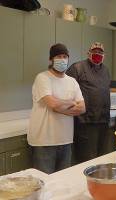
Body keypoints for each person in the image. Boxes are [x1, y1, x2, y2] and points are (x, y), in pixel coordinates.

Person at [28, 43, 85, 174]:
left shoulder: (72, 81)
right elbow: (51, 103)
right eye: (59, 56)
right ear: (51, 59)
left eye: (65, 56)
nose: (62, 59)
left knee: (61, 183)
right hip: (44, 142)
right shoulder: (42, 78)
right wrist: (71, 103)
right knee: (44, 184)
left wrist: (60, 107)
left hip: (65, 141)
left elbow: (82, 108)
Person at [66, 42, 111, 163]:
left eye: (100, 52)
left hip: (103, 121)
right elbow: (66, 90)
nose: (97, 54)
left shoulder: (106, 70)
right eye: (95, 52)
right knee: (87, 160)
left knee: (101, 158)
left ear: (104, 55)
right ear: (88, 53)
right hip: (85, 123)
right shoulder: (78, 68)